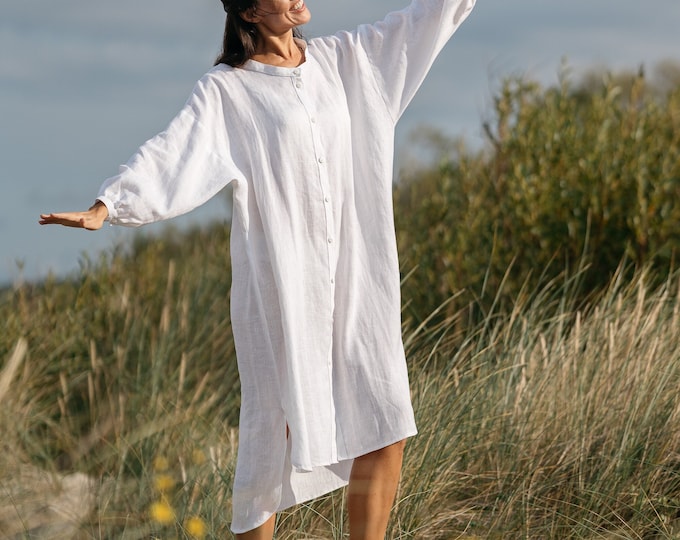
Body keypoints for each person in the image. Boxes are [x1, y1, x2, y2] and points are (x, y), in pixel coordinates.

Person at [40, 0, 476, 537]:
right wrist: (109, 205)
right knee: (274, 438)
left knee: (385, 420)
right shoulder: (229, 91)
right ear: (249, 10)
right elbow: (173, 152)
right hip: (285, 287)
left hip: (359, 277)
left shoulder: (349, 61)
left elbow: (424, 20)